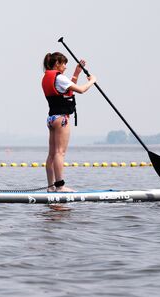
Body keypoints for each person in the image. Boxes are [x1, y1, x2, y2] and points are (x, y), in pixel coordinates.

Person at [42, 52, 96, 192]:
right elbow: (81, 90)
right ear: (57, 64)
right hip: (62, 119)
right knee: (60, 153)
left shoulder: (48, 77)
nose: (65, 66)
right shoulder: (59, 78)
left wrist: (76, 72)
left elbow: (68, 90)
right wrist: (92, 81)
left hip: (51, 118)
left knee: (52, 154)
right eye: (64, 63)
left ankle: (50, 186)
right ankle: (60, 186)